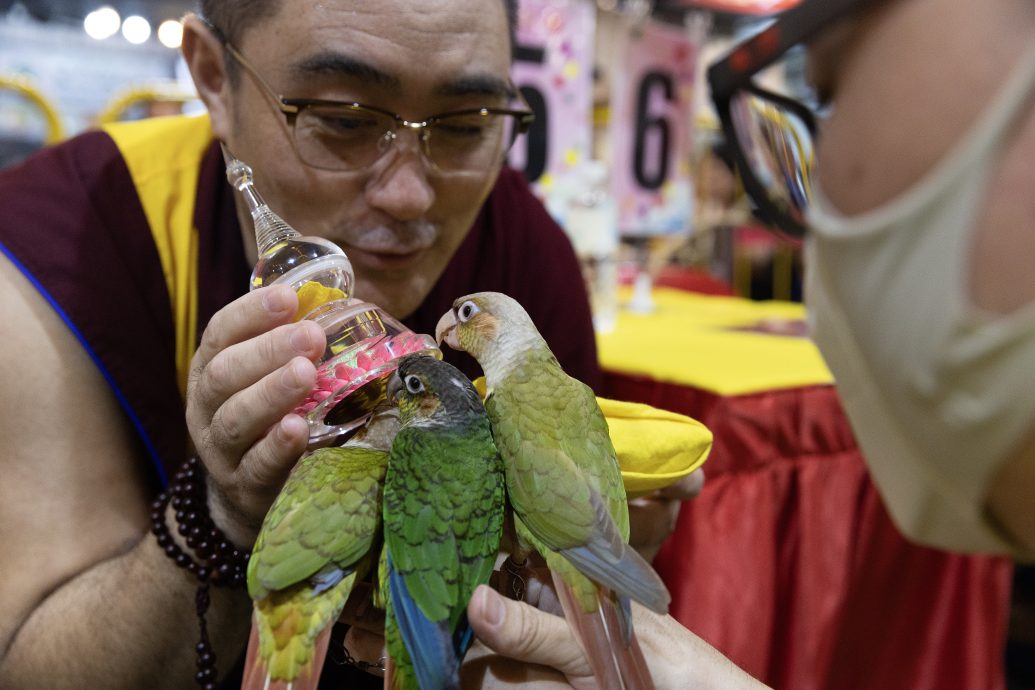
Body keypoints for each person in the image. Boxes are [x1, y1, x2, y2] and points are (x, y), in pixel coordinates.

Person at [0, 0, 721, 687]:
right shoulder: (62, 242)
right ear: (214, 78)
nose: (409, 195)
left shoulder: (524, 250)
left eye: (467, 122)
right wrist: (222, 516)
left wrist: (572, 538)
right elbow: (29, 667)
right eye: (342, 119)